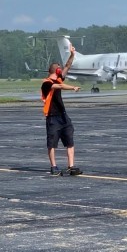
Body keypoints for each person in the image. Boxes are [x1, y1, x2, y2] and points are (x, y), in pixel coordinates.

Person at [41, 44, 82, 176]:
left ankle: (71, 166)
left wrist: (72, 55)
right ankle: (54, 166)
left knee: (69, 139)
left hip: (63, 116)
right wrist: (73, 88)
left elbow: (68, 66)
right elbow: (59, 86)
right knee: (52, 143)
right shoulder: (47, 83)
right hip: (52, 117)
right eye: (59, 68)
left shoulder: (58, 78)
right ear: (55, 70)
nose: (61, 70)